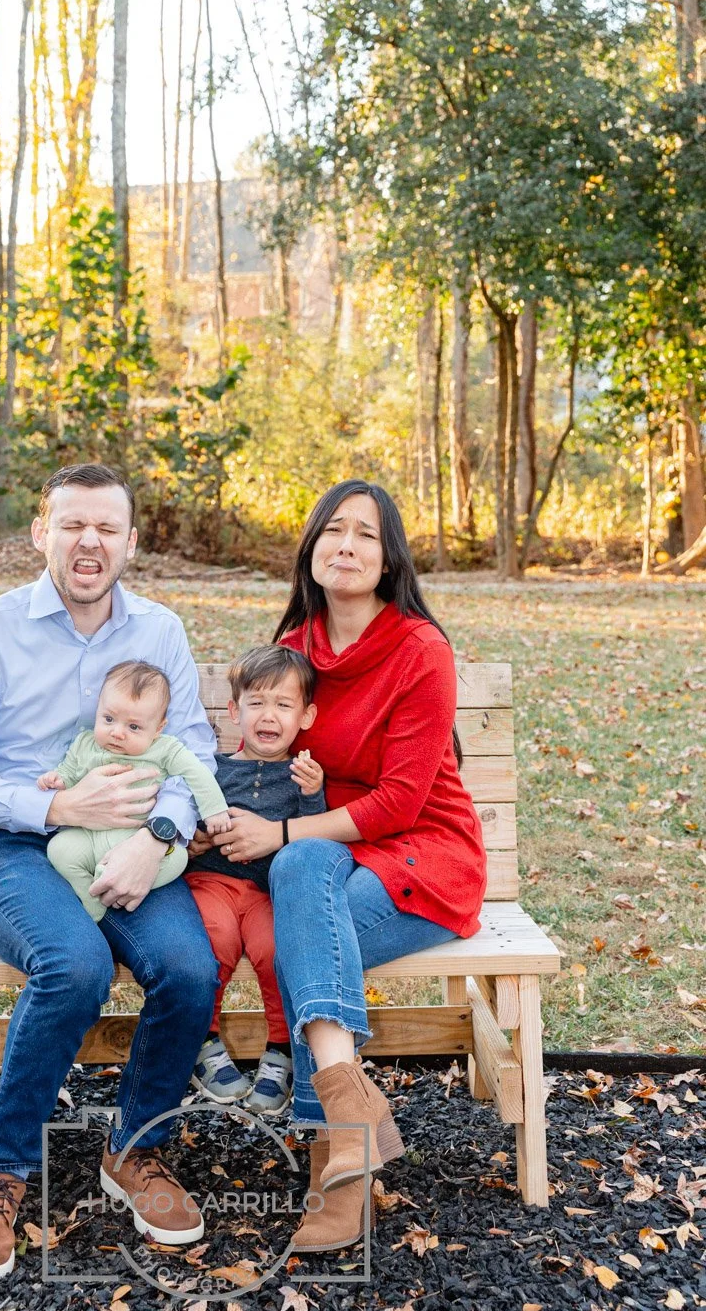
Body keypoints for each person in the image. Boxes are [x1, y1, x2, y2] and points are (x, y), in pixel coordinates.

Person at [0, 463, 221, 1281]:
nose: (90, 542)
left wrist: (157, 836)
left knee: (190, 968)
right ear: (41, 533)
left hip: (134, 843)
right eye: (72, 525)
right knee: (75, 965)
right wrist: (56, 806)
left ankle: (136, 1149)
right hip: (9, 846)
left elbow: (193, 752)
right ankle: (1, 1173)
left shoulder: (160, 631)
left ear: (131, 542)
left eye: (106, 528)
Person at [210, 480, 487, 1253]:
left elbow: (400, 802)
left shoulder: (419, 650)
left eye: (366, 533)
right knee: (303, 883)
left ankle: (335, 1166)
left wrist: (282, 831)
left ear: (389, 557)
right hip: (329, 850)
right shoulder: (295, 645)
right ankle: (348, 1117)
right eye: (333, 530)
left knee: (307, 927)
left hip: (423, 852)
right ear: (312, 548)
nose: (347, 545)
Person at [184, 645, 326, 1116]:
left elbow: (313, 839)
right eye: (257, 702)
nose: (269, 715)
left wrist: (312, 795)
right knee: (215, 939)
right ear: (234, 711)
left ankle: (281, 1050)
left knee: (275, 950)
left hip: (269, 892)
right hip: (213, 884)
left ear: (305, 716)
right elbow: (188, 821)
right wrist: (197, 838)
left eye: (283, 705)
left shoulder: (303, 775)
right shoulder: (213, 770)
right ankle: (203, 1041)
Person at [39, 660, 230, 921]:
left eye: (134, 727)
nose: (117, 733)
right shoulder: (85, 744)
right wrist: (57, 780)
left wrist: (214, 810)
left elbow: (197, 772)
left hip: (138, 838)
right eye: (108, 719)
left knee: (177, 859)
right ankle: (91, 896)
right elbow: (69, 773)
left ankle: (111, 880)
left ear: (158, 728)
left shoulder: (165, 749)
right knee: (59, 850)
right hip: (89, 837)